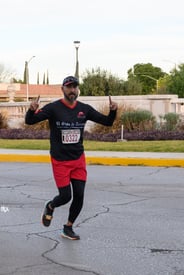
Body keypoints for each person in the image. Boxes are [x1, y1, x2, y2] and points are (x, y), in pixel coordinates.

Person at [25, 76, 118, 240]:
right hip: (60, 160)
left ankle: (68, 227)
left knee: (80, 195)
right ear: (63, 89)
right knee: (65, 196)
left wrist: (113, 111)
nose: (72, 90)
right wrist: (32, 109)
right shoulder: (54, 108)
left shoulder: (85, 109)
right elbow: (30, 121)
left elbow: (107, 122)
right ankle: (51, 205)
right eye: (69, 87)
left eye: (75, 87)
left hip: (78, 159)